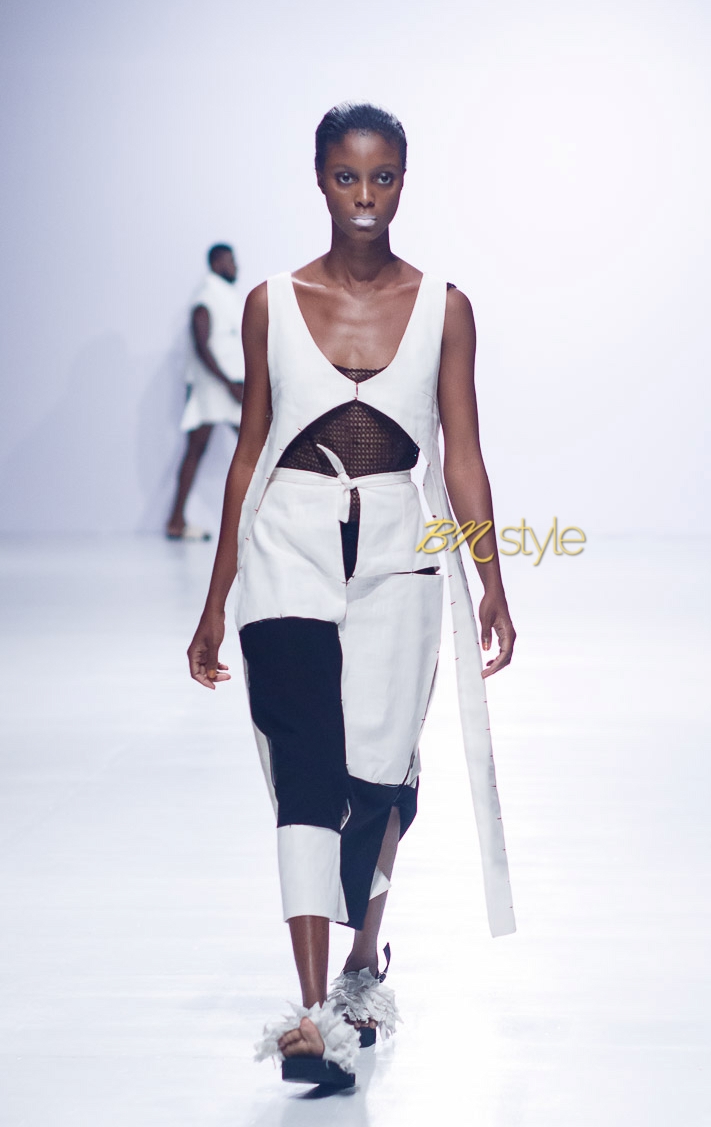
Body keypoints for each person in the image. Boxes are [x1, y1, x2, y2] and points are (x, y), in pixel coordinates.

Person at [186, 103, 517, 1089]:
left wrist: (492, 580)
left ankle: (362, 963)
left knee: (378, 779)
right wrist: (215, 601)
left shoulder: (445, 307)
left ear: (403, 180)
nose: (364, 197)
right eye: (346, 176)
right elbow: (247, 454)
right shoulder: (270, 303)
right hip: (286, 548)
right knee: (304, 770)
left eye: (382, 177)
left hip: (399, 556)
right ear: (319, 178)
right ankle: (310, 1018)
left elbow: (462, 453)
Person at [166, 243, 245, 540]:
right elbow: (201, 345)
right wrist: (228, 383)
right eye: (230, 261)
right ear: (216, 263)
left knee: (251, 447)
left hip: (226, 385)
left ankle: (176, 520)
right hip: (215, 387)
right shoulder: (205, 298)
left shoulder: (224, 296)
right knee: (201, 450)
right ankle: (175, 521)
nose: (236, 266)